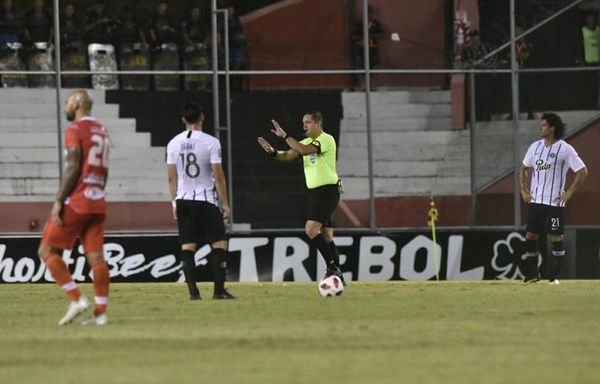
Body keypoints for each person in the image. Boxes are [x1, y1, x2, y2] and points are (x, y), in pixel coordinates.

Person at [37, 90, 111, 326]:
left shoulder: (75, 130)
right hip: (98, 200)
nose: (67, 105)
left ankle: (76, 299)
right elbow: (104, 171)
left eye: (69, 101)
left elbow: (72, 167)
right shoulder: (102, 131)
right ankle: (100, 313)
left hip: (78, 201)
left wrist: (59, 199)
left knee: (46, 251)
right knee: (96, 259)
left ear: (78, 103)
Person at [257, 112, 345, 285]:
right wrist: (273, 153)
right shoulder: (303, 142)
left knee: (311, 229)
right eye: (303, 122)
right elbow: (287, 156)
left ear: (318, 123)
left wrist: (285, 136)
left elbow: (304, 151)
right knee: (327, 236)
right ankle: (338, 276)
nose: (304, 125)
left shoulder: (326, 139)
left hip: (327, 191)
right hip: (315, 194)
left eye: (308, 122)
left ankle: (332, 268)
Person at [166, 103, 235, 300]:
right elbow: (219, 175)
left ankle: (194, 294)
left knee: (188, 246)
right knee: (219, 243)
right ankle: (219, 291)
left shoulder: (173, 143)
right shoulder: (211, 142)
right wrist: (225, 203)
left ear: (183, 120)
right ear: (202, 118)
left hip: (183, 200)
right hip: (205, 199)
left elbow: (171, 178)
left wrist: (173, 203)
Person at [519, 112, 588, 284]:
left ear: (552, 128)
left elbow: (583, 171)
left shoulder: (564, 149)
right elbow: (523, 168)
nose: (539, 128)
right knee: (530, 236)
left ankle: (554, 277)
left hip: (554, 204)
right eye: (540, 125)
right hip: (536, 202)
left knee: (556, 239)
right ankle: (533, 274)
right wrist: (524, 190)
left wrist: (569, 192)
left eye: (543, 125)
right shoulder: (535, 147)